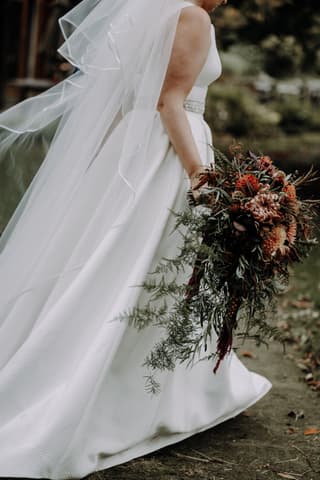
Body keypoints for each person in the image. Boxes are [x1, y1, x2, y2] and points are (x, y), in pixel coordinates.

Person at [0, 0, 271, 478]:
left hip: (145, 146)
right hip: (169, 157)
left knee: (141, 265)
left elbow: (132, 101)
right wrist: (200, 177)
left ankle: (169, 385)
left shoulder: (158, 19)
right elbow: (171, 101)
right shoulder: (192, 18)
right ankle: (131, 395)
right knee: (153, 267)